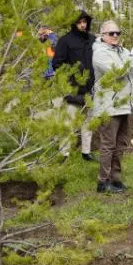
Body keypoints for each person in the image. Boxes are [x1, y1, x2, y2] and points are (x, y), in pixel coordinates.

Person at [91, 20, 133, 193]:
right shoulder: (99, 54)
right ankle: (103, 181)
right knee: (108, 145)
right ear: (102, 35)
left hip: (124, 105)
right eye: (111, 33)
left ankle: (116, 179)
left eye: (118, 33)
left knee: (121, 144)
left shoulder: (123, 51)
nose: (115, 36)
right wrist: (132, 60)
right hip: (108, 106)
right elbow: (117, 72)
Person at [52, 11, 97, 161]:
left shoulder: (93, 40)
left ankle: (86, 152)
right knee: (68, 123)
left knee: (88, 123)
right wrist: (70, 78)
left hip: (90, 89)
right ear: (74, 23)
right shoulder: (65, 41)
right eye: (79, 22)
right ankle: (64, 153)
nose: (83, 25)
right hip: (72, 89)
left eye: (85, 22)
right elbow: (57, 63)